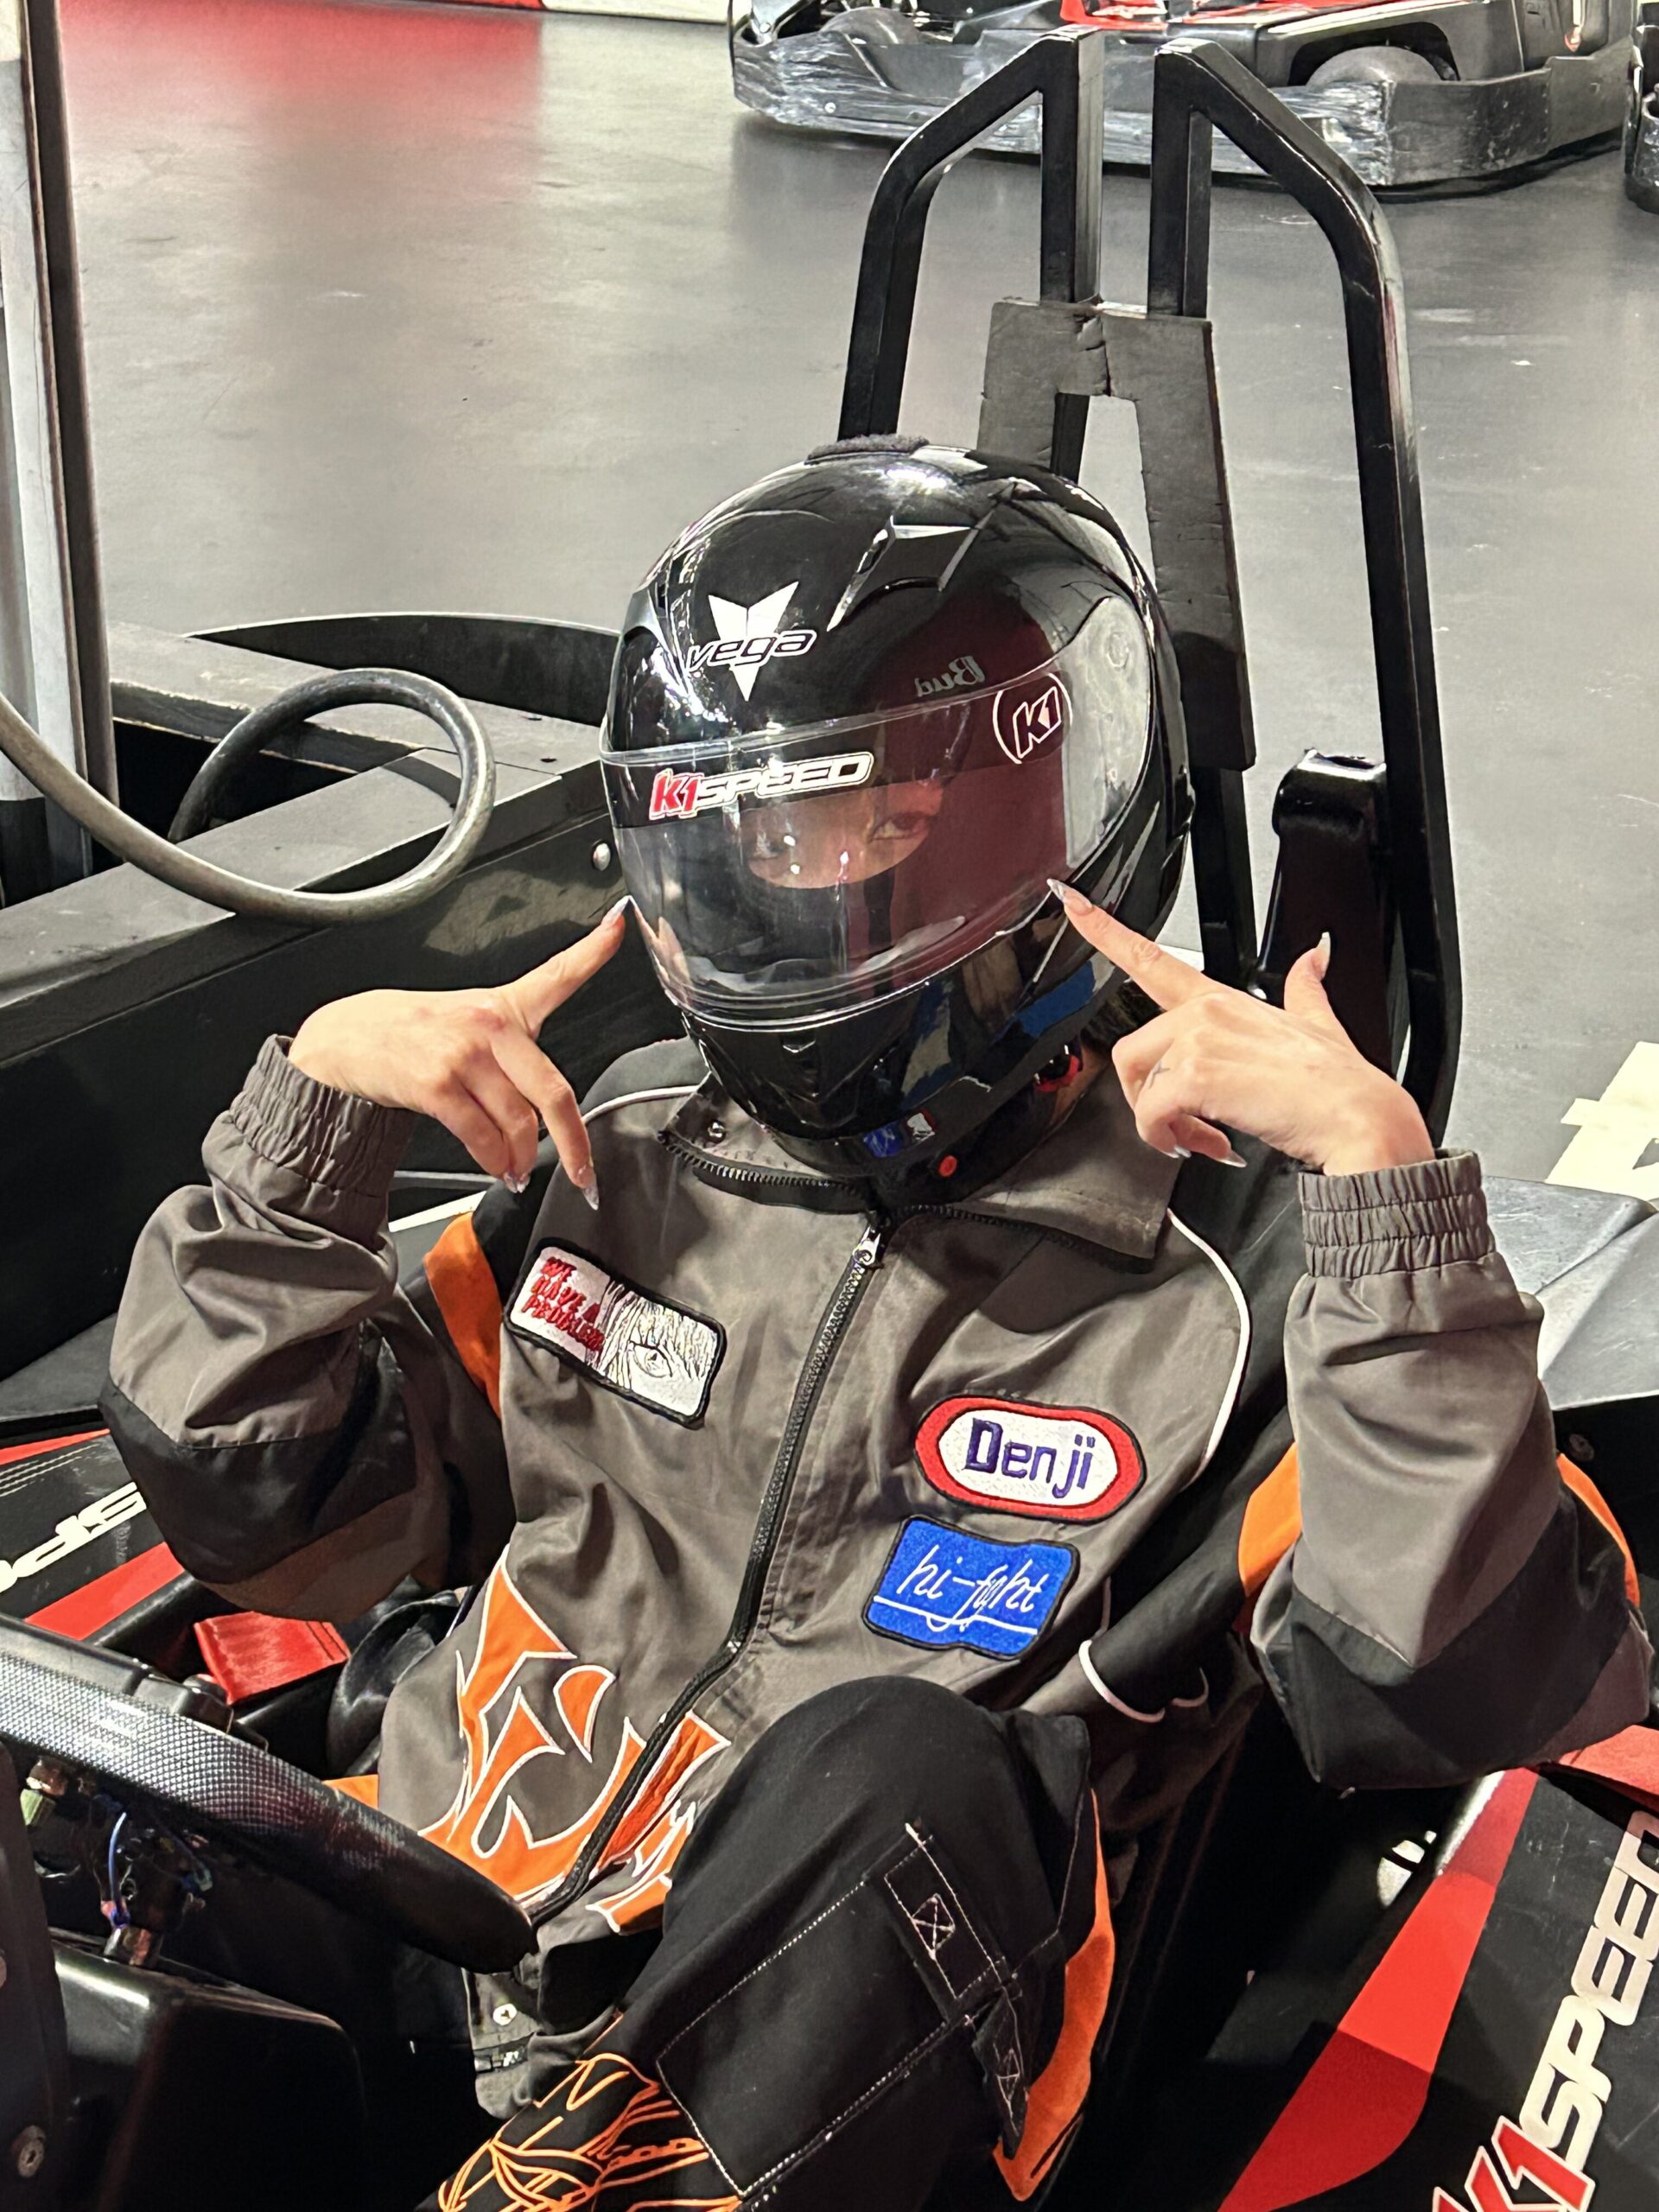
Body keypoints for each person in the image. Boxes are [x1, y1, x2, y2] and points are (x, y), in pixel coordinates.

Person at [104, 440, 1649, 2211]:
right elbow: (262, 1508)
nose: (770, 882)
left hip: (846, 2068)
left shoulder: (1247, 1276)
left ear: (1006, 819)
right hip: (454, 1926)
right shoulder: (622, 1155)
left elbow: (1468, 1674)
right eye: (731, 830)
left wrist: (1384, 1191)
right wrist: (303, 1139)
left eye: (837, 820)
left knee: (896, 1754)